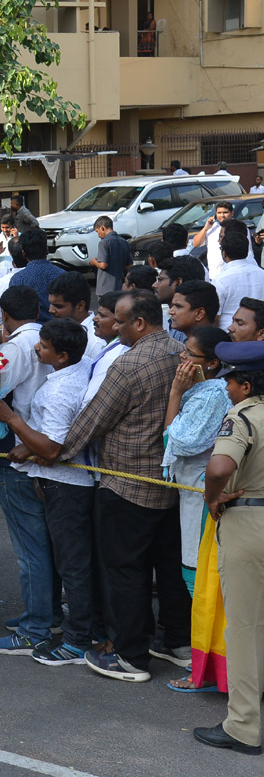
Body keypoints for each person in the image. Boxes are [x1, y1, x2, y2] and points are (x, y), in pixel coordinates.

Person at [59, 289, 189, 683]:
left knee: (126, 571)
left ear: (140, 322)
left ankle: (131, 656)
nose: (113, 326)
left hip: (127, 485)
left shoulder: (129, 364)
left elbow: (93, 419)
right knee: (167, 568)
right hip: (170, 483)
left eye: (119, 320)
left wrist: (57, 452)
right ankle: (178, 643)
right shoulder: (178, 351)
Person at [0, 319, 97, 665]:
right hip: (63, 482)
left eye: (44, 346)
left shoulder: (60, 391)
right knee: (68, 562)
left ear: (62, 355)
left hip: (66, 485)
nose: (37, 348)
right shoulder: (71, 376)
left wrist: (12, 420)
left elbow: (51, 448)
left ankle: (74, 640)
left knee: (72, 566)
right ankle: (64, 626)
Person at [193, 340, 264, 755]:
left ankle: (243, 726)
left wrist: (212, 496)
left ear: (245, 384)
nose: (228, 388)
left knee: (245, 626)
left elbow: (220, 466)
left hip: (250, 521)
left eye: (231, 381)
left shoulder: (245, 415)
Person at [163, 327, 232, 593]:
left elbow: (178, 442)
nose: (182, 357)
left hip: (202, 491)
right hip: (191, 489)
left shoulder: (213, 395)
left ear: (212, 363)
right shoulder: (203, 389)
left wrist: (175, 393)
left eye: (190, 354)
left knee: (198, 572)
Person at [8, 229, 64, 323]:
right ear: (47, 251)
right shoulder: (62, 275)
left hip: (28, 332)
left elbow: (14, 313)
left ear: (24, 254)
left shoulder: (17, 279)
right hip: (59, 331)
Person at [214, 228, 264, 330]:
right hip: (258, 336)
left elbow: (215, 316)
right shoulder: (261, 273)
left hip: (229, 335)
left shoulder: (220, 280)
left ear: (224, 253)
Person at [47, 271, 105, 359]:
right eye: (50, 304)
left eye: (58, 306)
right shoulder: (61, 329)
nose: (50, 310)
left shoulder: (95, 342)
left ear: (80, 306)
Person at [192, 200, 234, 282]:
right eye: (219, 213)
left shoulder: (239, 227)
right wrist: (205, 228)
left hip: (232, 274)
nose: (222, 215)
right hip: (214, 275)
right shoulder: (211, 228)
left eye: (225, 212)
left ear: (232, 213)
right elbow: (196, 244)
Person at [92, 216, 131, 296]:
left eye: (97, 231)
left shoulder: (104, 243)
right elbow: (129, 266)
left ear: (102, 228)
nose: (98, 235)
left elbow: (103, 265)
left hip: (105, 288)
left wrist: (94, 262)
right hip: (120, 286)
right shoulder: (124, 242)